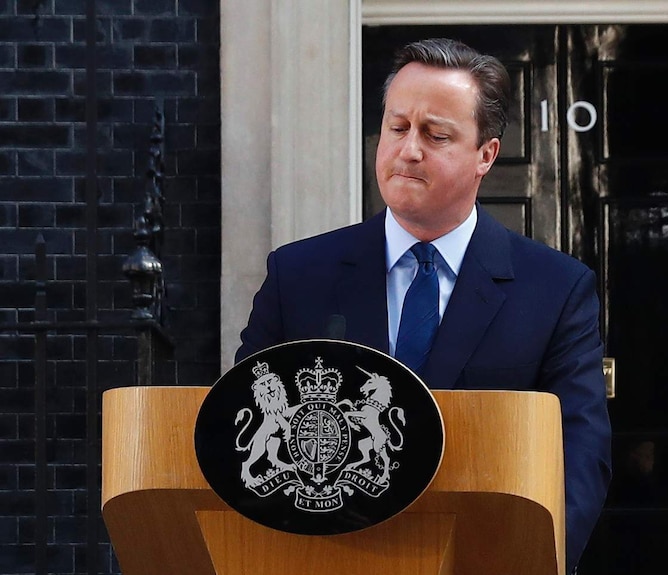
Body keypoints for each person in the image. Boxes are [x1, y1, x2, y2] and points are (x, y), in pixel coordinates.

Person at [236, 38, 611, 573]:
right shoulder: (297, 275)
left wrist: (540, 560)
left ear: (486, 155)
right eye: (397, 128)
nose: (409, 149)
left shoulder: (555, 289)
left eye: (436, 135)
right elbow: (242, 424)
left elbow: (581, 452)